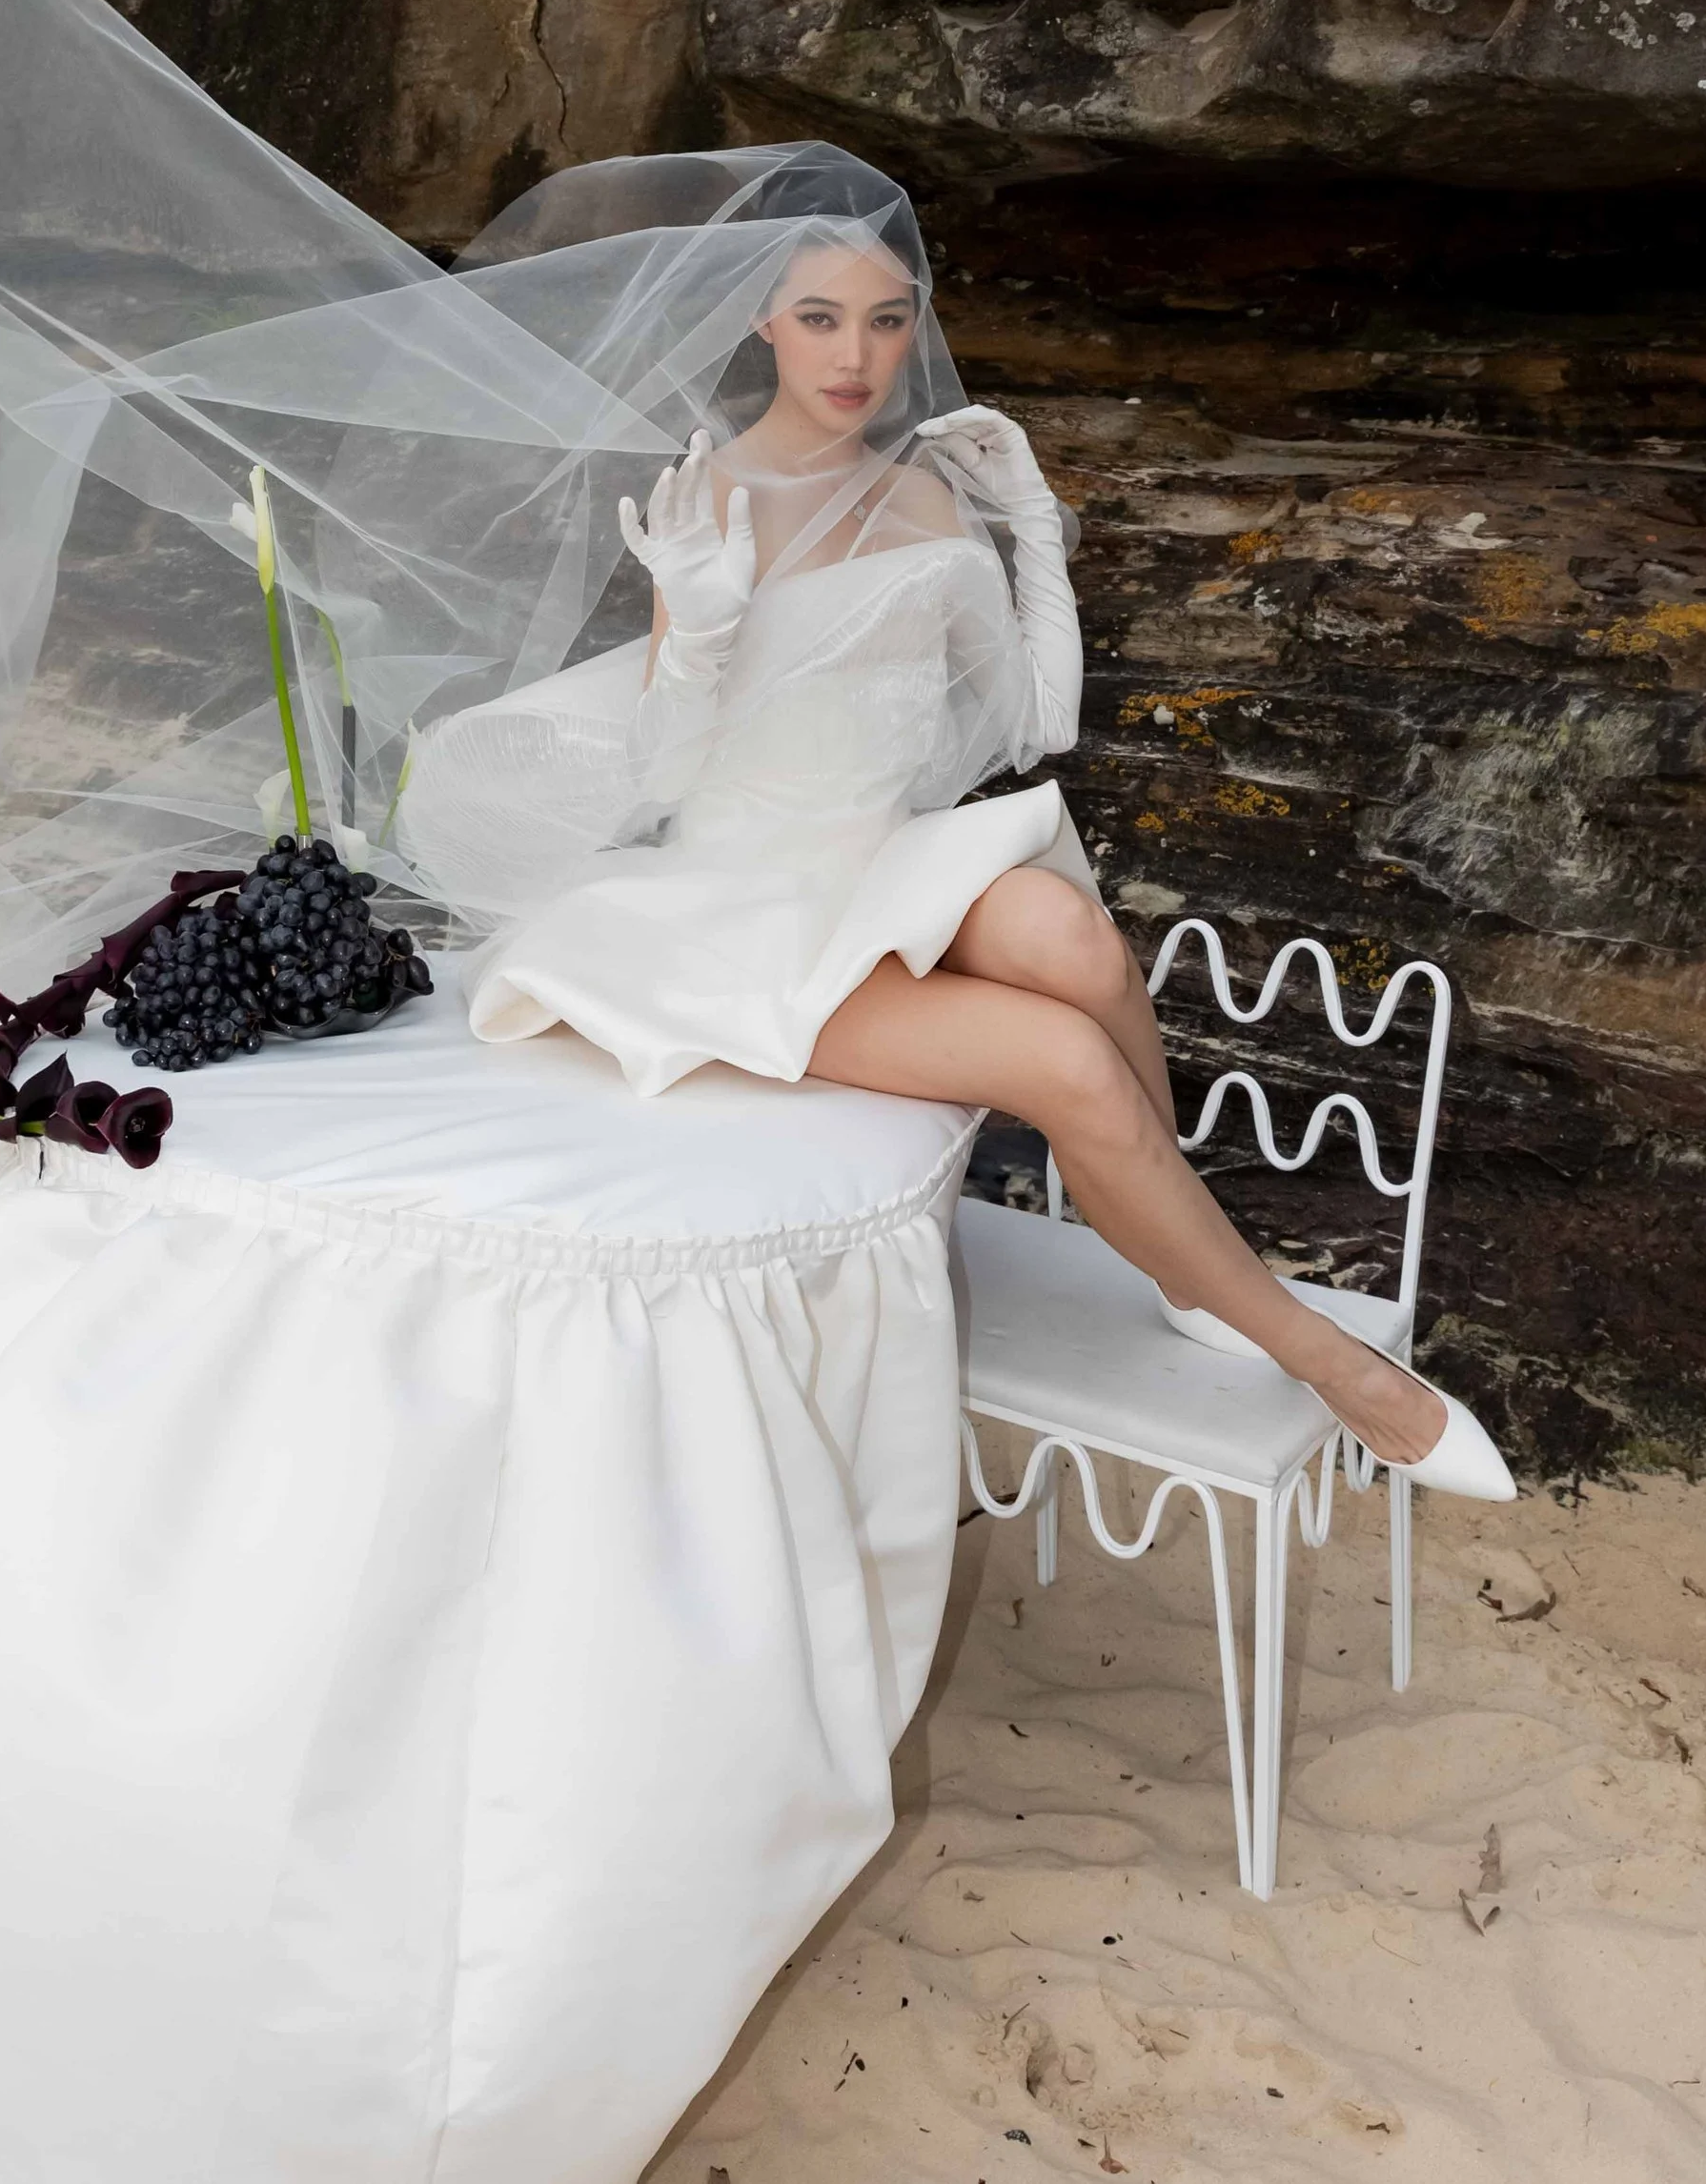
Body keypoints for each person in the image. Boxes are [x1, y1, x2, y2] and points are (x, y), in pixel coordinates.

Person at [410, 178, 1509, 1499]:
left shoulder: (925, 502)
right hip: (741, 911)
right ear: (762, 315)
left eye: (885, 319)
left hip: (873, 862)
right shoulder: (707, 500)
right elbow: (664, 771)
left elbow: (1034, 721)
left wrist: (1032, 528)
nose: (856, 356)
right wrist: (694, 625)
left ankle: (1188, 1273)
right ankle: (1331, 1359)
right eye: (819, 316)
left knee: (1072, 935)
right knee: (1064, 1061)